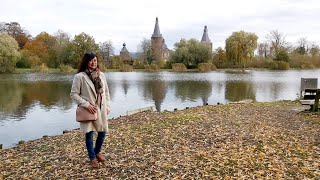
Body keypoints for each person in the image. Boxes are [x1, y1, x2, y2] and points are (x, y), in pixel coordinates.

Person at [70, 52, 110, 168]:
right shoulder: (80, 76)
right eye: (91, 60)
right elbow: (73, 94)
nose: (93, 62)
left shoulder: (101, 75)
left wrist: (107, 106)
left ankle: (97, 152)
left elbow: (106, 92)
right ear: (86, 61)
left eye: (95, 60)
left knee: (102, 132)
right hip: (89, 110)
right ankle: (92, 158)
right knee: (89, 134)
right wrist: (86, 105)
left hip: (101, 109)